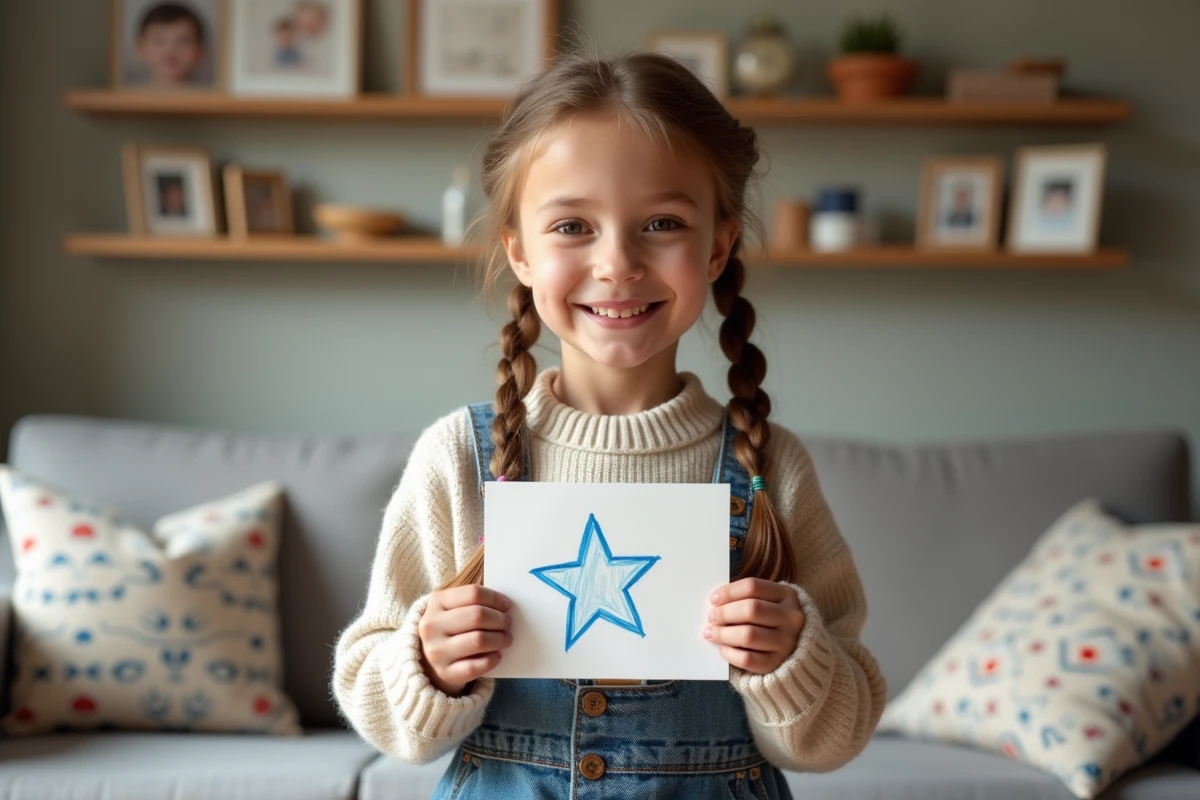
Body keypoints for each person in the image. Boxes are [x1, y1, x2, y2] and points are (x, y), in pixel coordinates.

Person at [332, 50, 886, 799]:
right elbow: (377, 702)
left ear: (718, 245)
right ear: (519, 250)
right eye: (572, 225)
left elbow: (835, 736)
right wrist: (426, 663)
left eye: (662, 222)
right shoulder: (457, 458)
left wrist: (792, 658)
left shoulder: (769, 468)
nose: (617, 263)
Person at [134, 2, 208, 87]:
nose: (170, 49)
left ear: (201, 51)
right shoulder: (125, 96)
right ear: (140, 47)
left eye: (182, 41)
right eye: (158, 40)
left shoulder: (214, 97)